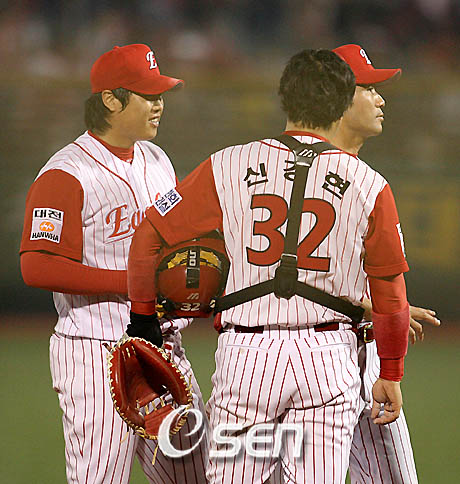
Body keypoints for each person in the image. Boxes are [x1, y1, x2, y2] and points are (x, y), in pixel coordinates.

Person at [126, 48, 411, 483]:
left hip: (248, 359)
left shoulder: (226, 164)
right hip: (327, 360)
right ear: (341, 104)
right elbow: (390, 295)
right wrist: (390, 371)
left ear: (285, 98)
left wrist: (144, 319)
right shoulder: (371, 185)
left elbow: (149, 234)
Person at [19, 44, 208, 484]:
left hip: (163, 347)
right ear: (110, 100)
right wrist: (134, 282)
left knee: (201, 476)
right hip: (96, 352)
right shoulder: (66, 173)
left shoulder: (157, 160)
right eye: (148, 95)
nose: (159, 104)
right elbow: (37, 266)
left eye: (161, 94)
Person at [330, 43, 441, 484]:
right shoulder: (313, 178)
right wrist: (376, 307)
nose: (381, 99)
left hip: (363, 352)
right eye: (369, 88)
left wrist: (383, 310)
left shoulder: (360, 177)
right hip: (315, 353)